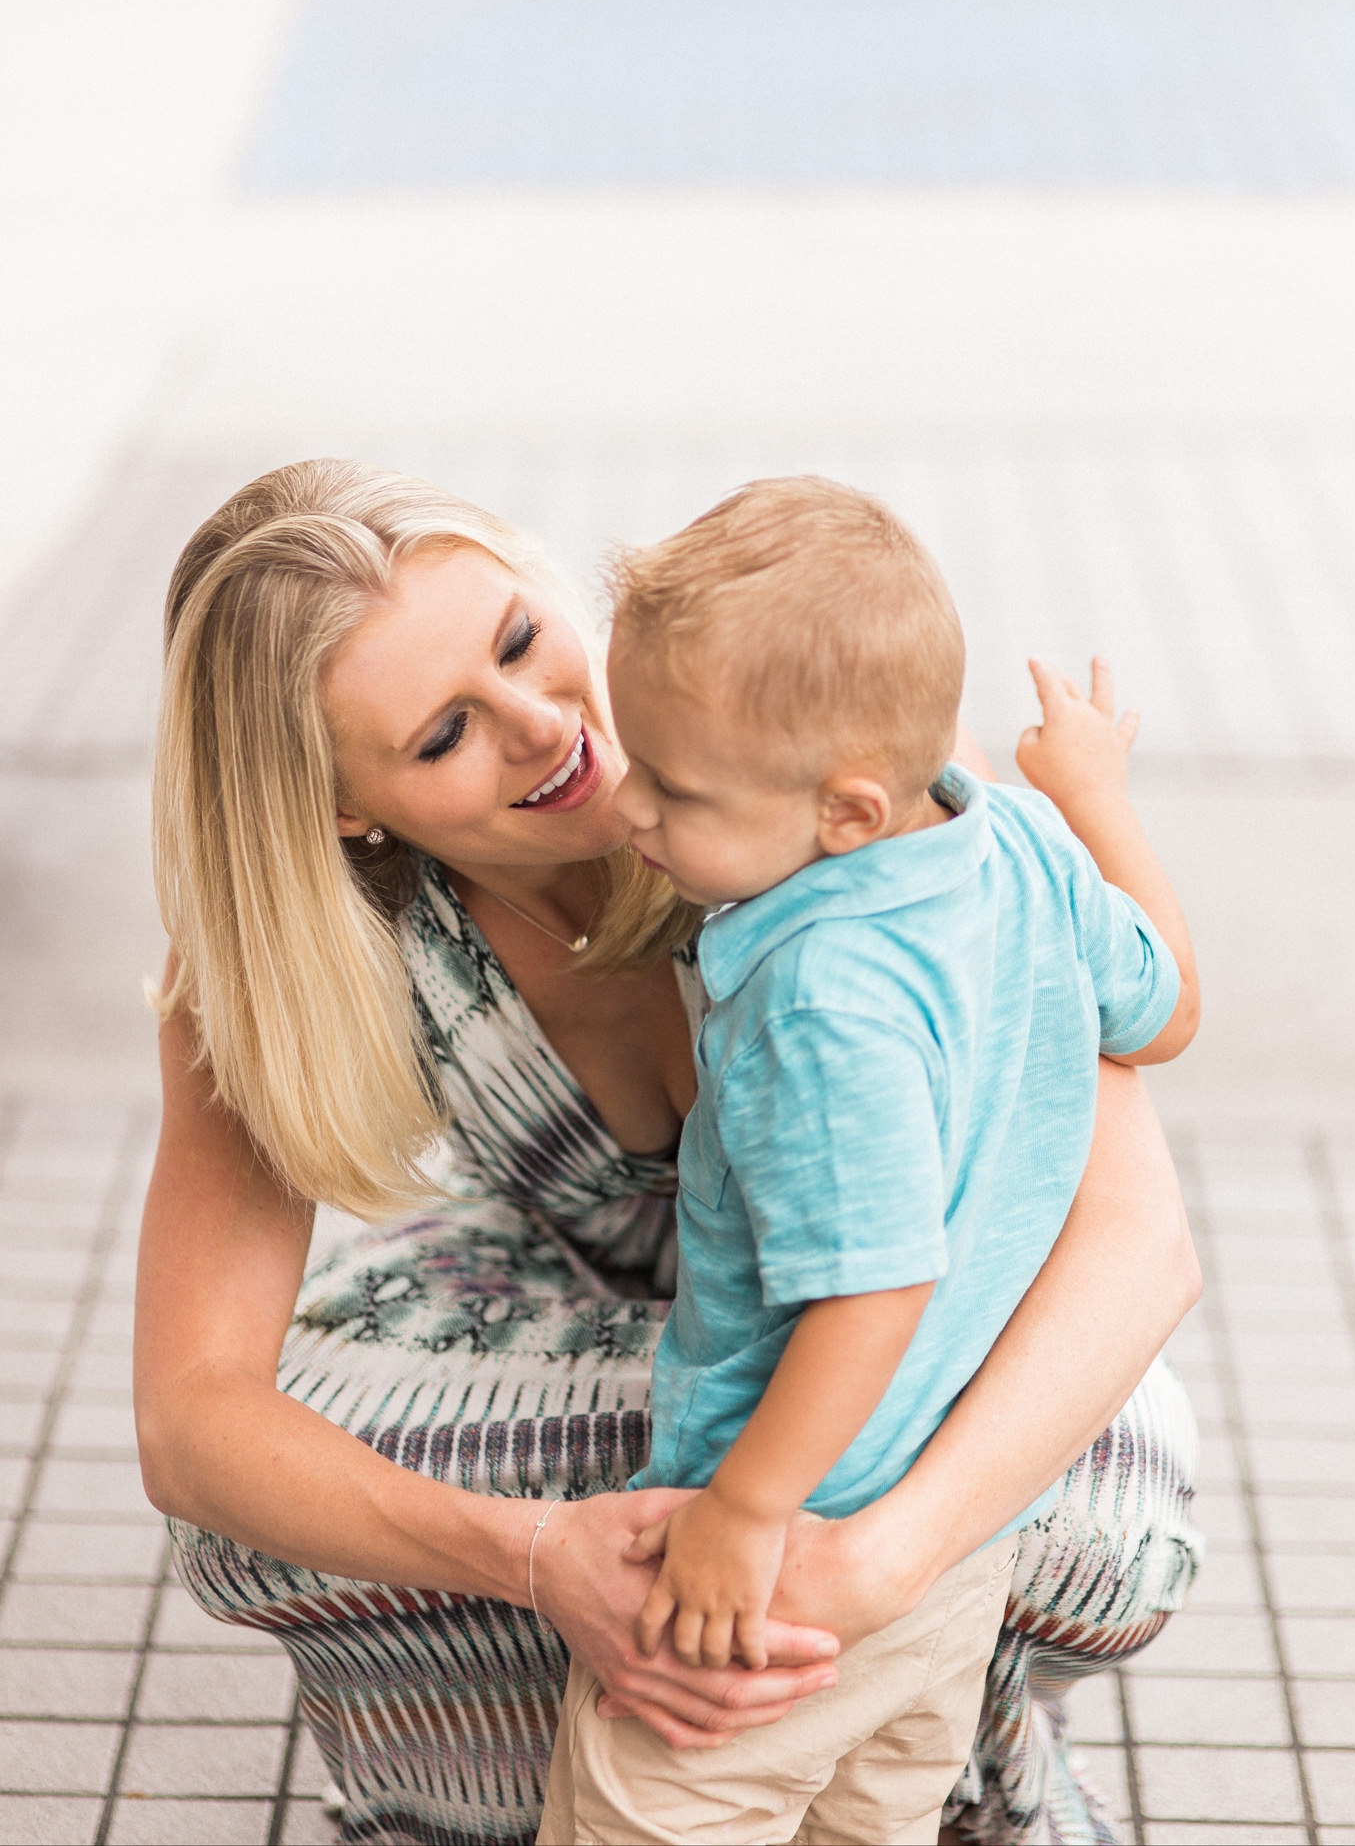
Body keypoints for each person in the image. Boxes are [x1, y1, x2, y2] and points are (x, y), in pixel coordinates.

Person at [135, 459, 1203, 1846]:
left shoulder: (827, 770)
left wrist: (883, 1554)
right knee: (257, 1507)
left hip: (877, 1326)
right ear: (345, 807)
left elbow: (1137, 1242)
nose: (544, 729)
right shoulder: (291, 953)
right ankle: (474, 1781)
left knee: (1114, 1482)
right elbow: (188, 1417)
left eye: (522, 640)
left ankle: (940, 1745)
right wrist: (537, 1558)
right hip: (607, 1305)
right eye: (444, 732)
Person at [537, 479, 1199, 1845]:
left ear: (844, 809)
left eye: (674, 785)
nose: (631, 806)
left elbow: (876, 1283)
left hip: (781, 1570)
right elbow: (1168, 1008)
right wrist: (1091, 799)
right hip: (950, 1531)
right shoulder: (1015, 842)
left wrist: (741, 1510)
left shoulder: (815, 993)